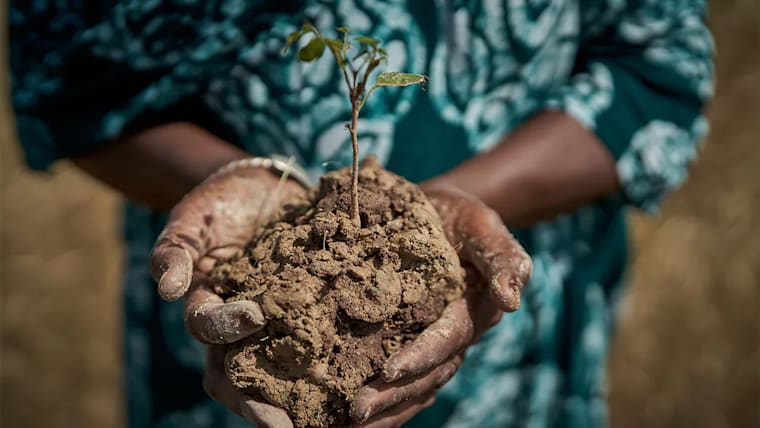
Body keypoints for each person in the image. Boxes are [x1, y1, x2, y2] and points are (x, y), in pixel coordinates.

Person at [9, 0, 714, 427]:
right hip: (220, 294)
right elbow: (65, 83)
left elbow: (655, 73)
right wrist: (238, 179)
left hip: (520, 359)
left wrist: (429, 219)